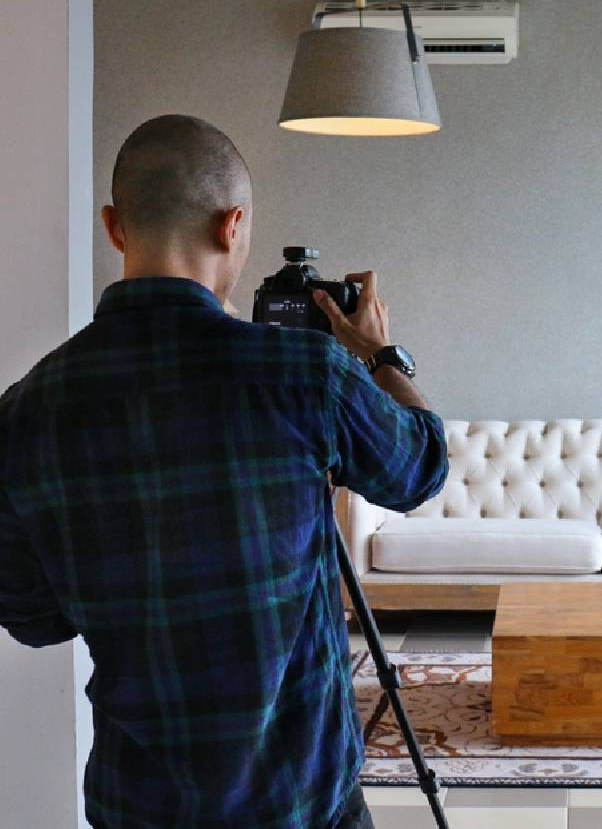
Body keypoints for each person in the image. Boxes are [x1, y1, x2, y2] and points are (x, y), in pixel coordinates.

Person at [0, 114, 447, 828]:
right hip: (301, 802)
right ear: (232, 225)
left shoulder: (24, 410)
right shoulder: (302, 373)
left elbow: (32, 619)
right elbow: (420, 467)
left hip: (139, 805)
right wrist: (380, 355)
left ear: (114, 227)